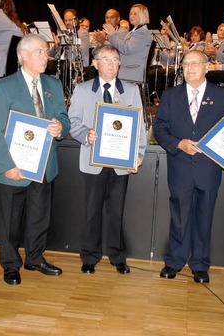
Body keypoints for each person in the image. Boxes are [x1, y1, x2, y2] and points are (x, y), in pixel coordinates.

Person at [152, 50, 224, 283]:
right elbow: (160, 129)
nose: (190, 68)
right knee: (179, 217)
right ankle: (174, 261)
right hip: (180, 167)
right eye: (186, 64)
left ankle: (200, 264)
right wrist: (179, 144)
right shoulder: (170, 96)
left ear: (207, 67)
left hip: (209, 168)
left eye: (196, 64)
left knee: (204, 217)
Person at [0, 33, 70, 286]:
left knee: (39, 216)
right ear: (23, 56)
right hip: (14, 167)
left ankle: (35, 257)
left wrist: (60, 127)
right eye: (40, 52)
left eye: (46, 52)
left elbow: (64, 118)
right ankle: (10, 264)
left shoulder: (53, 85)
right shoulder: (3, 86)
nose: (46, 57)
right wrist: (7, 165)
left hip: (44, 165)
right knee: (10, 220)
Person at [68, 44, 147, 275]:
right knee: (92, 211)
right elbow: (72, 122)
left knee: (116, 211)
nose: (112, 64)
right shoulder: (82, 90)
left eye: (115, 59)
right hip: (93, 160)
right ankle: (90, 256)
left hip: (121, 162)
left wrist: (139, 154)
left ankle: (117, 256)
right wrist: (86, 134)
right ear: (95, 63)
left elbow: (139, 126)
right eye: (106, 59)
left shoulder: (131, 90)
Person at [97, 4, 152, 84]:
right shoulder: (134, 31)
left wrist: (112, 34)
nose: (131, 16)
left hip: (132, 74)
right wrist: (105, 40)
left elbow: (126, 49)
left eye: (135, 14)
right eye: (130, 13)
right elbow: (120, 48)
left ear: (143, 15)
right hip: (127, 71)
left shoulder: (142, 32)